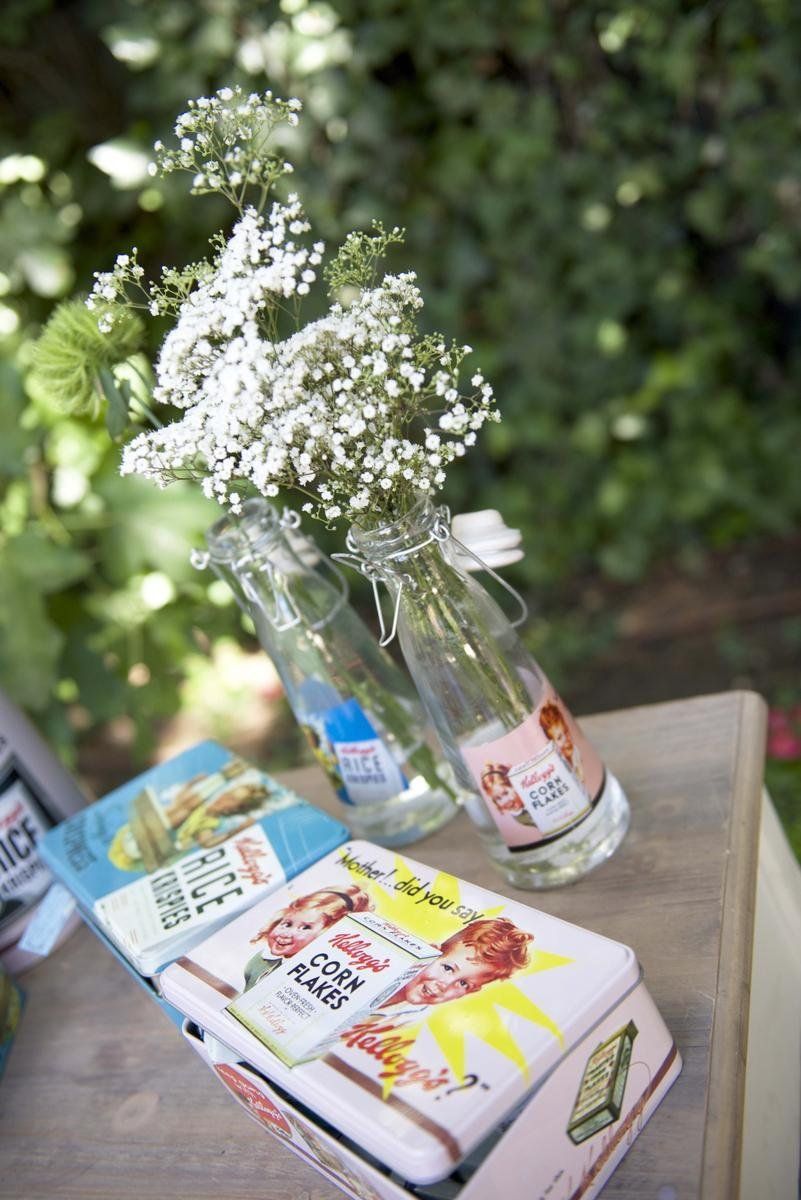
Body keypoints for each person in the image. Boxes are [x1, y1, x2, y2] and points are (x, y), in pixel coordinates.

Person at [378, 916, 533, 1013]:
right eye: (447, 968)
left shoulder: (406, 1018)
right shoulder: (382, 964)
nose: (444, 985)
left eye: (463, 983)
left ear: (471, 991)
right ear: (430, 952)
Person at [242, 884, 372, 990]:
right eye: (287, 924)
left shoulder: (312, 980)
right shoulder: (261, 960)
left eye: (305, 928)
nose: (286, 933)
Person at [538, 700, 586, 789]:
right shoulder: (556, 769)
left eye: (566, 732)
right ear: (551, 744)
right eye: (559, 738)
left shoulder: (577, 754)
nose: (566, 740)